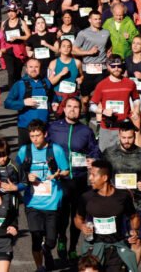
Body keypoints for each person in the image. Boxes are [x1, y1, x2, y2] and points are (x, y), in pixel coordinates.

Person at [48, 96, 101, 258]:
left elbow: (95, 150)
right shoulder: (53, 127)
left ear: (80, 110)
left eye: (76, 107)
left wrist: (94, 159)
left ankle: (72, 247)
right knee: (62, 214)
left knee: (78, 215)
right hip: (60, 179)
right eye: (69, 106)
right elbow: (44, 147)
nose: (72, 109)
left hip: (79, 179)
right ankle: (62, 239)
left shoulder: (86, 130)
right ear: (64, 109)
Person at [16, 119, 69, 272]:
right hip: (32, 202)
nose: (35, 140)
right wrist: (27, 176)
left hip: (52, 202)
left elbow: (66, 171)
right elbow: (16, 173)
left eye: (38, 136)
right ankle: (40, 267)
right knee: (35, 236)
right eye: (32, 136)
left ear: (45, 134)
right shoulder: (24, 151)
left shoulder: (56, 150)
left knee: (51, 240)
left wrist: (58, 175)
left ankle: (47, 249)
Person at [100, 121, 141, 264]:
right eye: (123, 138)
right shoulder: (109, 153)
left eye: (130, 138)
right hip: (114, 205)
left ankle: (132, 269)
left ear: (134, 136)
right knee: (114, 242)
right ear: (119, 136)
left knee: (137, 240)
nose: (127, 141)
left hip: (136, 204)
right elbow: (101, 174)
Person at [74, 159, 139, 272]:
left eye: (93, 175)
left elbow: (134, 217)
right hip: (93, 248)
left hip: (115, 248)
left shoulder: (122, 197)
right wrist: (82, 226)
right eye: (90, 175)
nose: (90, 178)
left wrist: (134, 231)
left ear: (104, 177)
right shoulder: (86, 197)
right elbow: (78, 218)